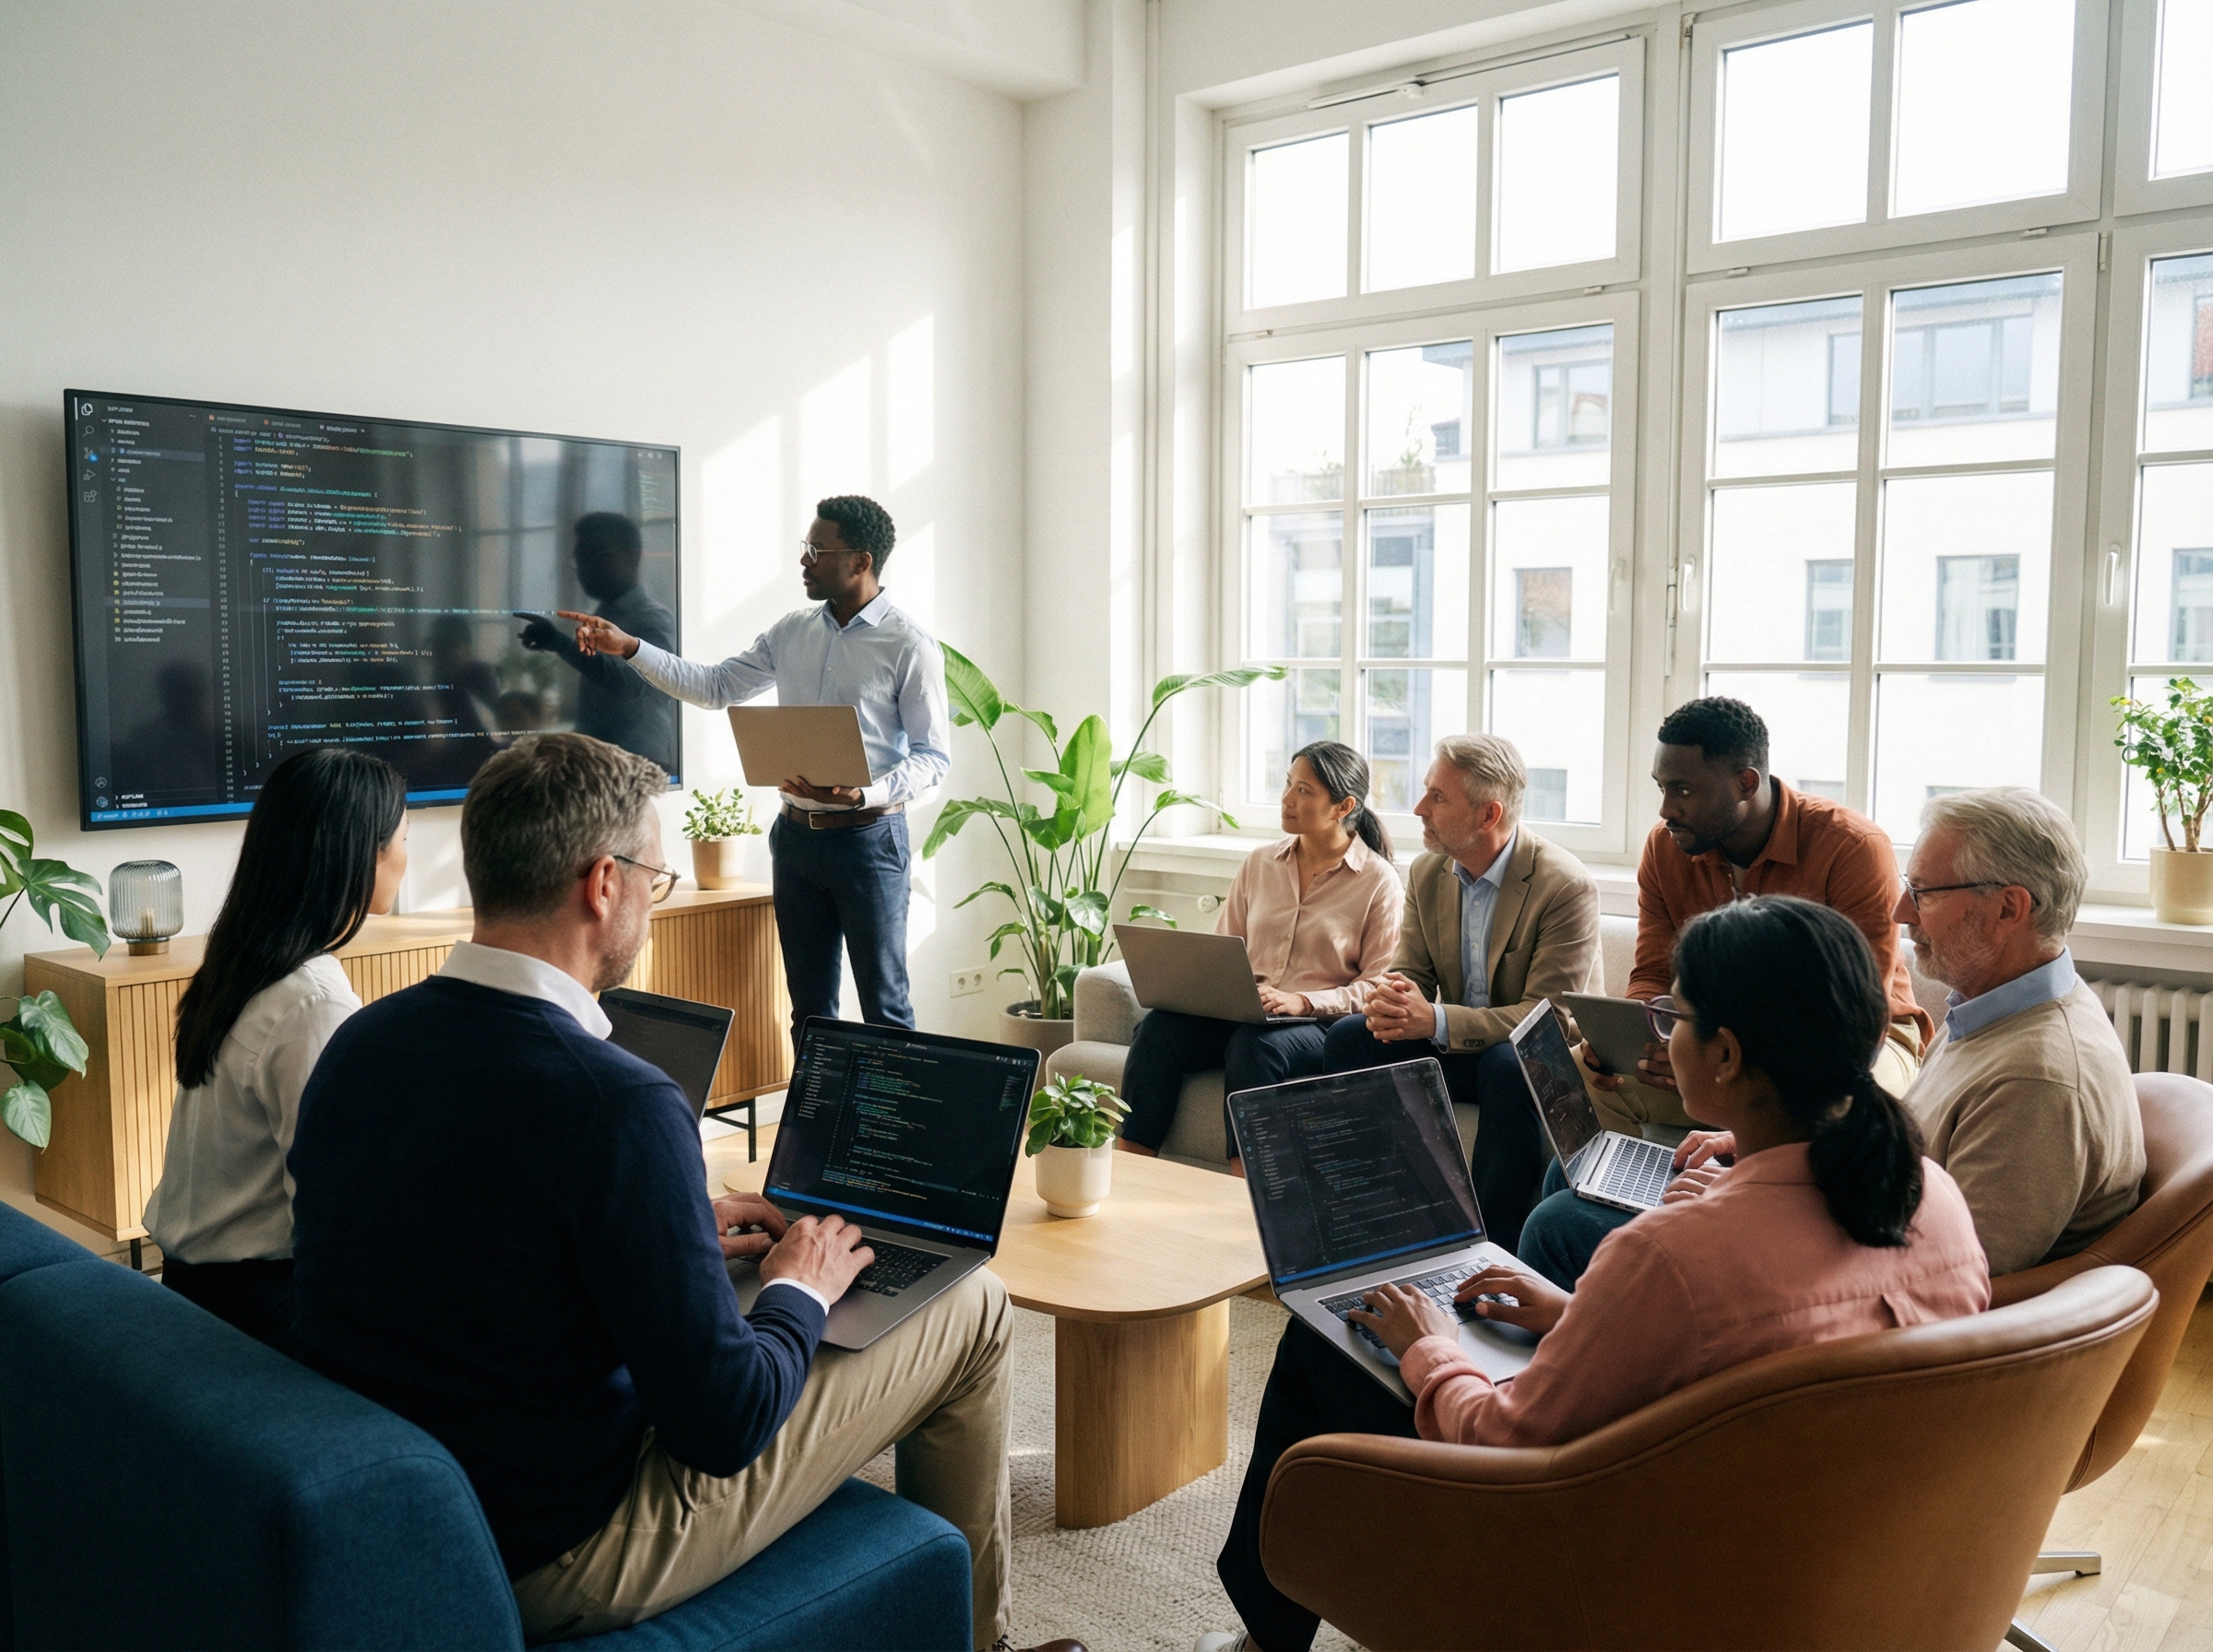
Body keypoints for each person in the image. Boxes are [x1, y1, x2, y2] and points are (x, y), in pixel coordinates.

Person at [288, 735, 1066, 1652]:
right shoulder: (613, 1099)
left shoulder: (360, 1045)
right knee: (971, 1302)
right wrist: (799, 1289)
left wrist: (670, 1230)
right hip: (560, 1550)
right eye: (654, 880)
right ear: (602, 884)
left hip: (414, 1511)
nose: (652, 908)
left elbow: (469, 1234)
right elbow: (724, 1421)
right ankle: (982, 1640)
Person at [1202, 897, 1988, 1652]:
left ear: (1726, 1054)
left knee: (1326, 1346)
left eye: (1673, 1017)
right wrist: (1577, 1315)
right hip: (1849, 1569)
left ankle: (1268, 1640)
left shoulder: (1673, 1253)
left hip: (1636, 1579)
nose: (1662, 1033)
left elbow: (1508, 1448)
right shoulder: (1936, 1201)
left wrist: (1430, 1346)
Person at [1524, 787, 2146, 1290]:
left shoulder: (2037, 1077)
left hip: (1854, 1309)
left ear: (2010, 908)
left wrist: (1759, 1200)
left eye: (1924, 892)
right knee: (1569, 1175)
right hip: (1849, 1224)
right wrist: (1768, 1152)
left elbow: (1954, 1278)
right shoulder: (1992, 1012)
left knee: (1559, 1224)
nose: (1902, 911)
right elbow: (1912, 1169)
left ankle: (1568, 1415)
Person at [561, 496, 947, 1045]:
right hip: (796, 842)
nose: (804, 561)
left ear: (860, 562)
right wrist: (629, 648)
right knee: (810, 1013)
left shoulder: (908, 644)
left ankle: (891, 1132)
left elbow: (934, 757)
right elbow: (715, 686)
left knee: (885, 1009)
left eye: (817, 550)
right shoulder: (792, 631)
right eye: (804, 548)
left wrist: (864, 793)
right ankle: (814, 1128)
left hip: (870, 842)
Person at [145, 748, 409, 1351]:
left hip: (193, 1279)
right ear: (362, 850)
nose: (405, 857)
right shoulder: (312, 1000)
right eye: (402, 837)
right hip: (261, 1304)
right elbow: (334, 1210)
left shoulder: (246, 960)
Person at [1586, 696, 1931, 1140]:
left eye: (1684, 790)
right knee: (1586, 1074)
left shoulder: (1851, 847)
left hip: (1853, 1044)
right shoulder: (1665, 846)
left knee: (1836, 1102)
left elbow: (1856, 1010)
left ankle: (1746, 1198)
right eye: (1662, 788)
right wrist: (1642, 1042)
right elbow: (1654, 973)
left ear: (1746, 783)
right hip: (1716, 1037)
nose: (1666, 809)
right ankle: (1643, 1199)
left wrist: (1729, 1061)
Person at [1317, 734, 1598, 1253]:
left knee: (1507, 1064)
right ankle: (1370, 1213)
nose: (1419, 808)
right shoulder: (1428, 872)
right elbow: (1409, 976)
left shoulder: (1564, 885)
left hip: (1540, 1063)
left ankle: (1495, 1249)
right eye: (1425, 792)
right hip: (1463, 1049)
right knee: (1351, 1037)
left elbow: (1548, 1021)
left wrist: (1434, 1021)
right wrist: (1391, 1002)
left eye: (1438, 798)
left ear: (1488, 815)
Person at [1116, 741, 1400, 1173]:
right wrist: (1200, 988)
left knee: (1255, 1048)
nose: (1286, 800)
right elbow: (1222, 951)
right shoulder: (1260, 863)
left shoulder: (1379, 883)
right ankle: (1133, 1172)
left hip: (1318, 1025)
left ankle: (1245, 1191)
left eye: (1304, 791)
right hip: (1249, 1009)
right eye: (1288, 784)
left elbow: (1377, 987)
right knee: (1157, 1030)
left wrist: (1303, 1002)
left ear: (1343, 806)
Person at [521, 513, 680, 774]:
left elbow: (641, 685)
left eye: (596, 556)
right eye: (580, 558)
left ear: (632, 557)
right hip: (603, 769)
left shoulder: (651, 617)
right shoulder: (604, 616)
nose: (585, 568)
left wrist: (561, 644)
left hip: (635, 771)